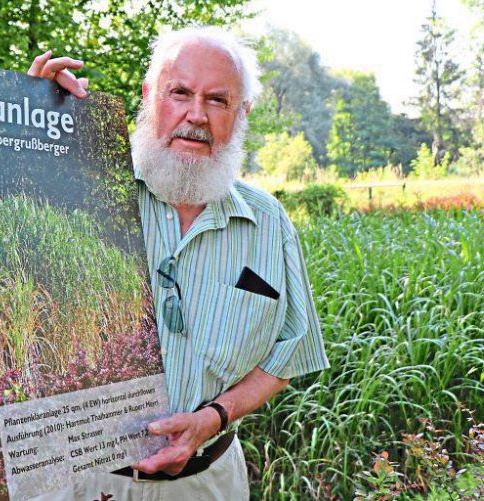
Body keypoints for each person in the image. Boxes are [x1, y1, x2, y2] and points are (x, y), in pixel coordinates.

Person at [27, 27, 329, 500]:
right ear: (150, 97)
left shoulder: (268, 222)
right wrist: (29, 127)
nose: (196, 115)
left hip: (210, 483)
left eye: (218, 100)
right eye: (180, 93)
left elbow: (290, 353)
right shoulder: (84, 190)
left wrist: (214, 418)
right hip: (84, 484)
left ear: (241, 113)